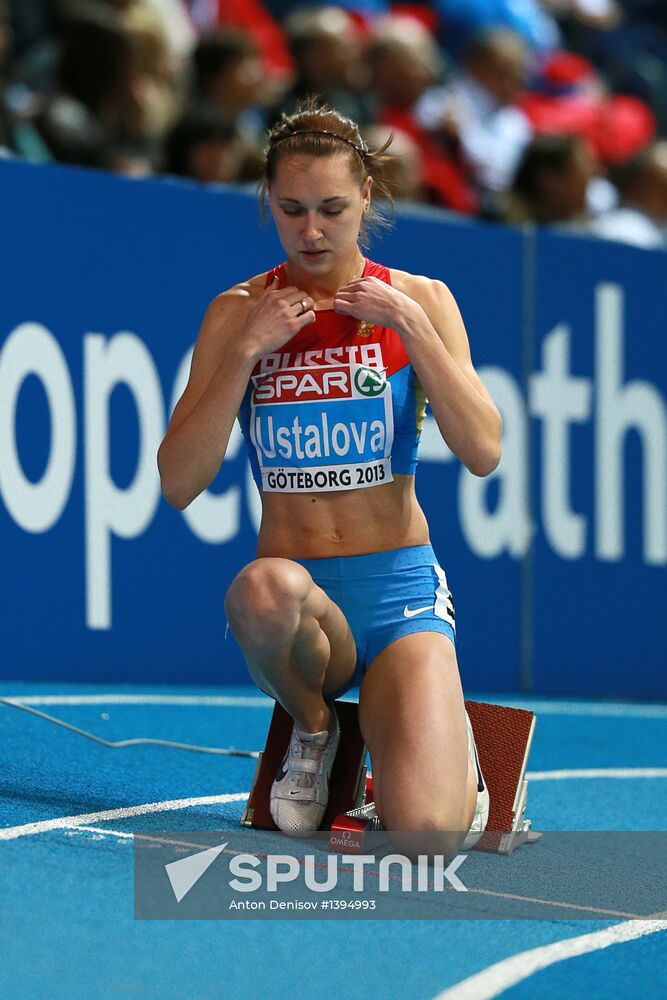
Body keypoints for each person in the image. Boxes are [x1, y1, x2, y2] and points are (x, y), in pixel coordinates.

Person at [157, 103, 501, 857]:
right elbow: (178, 483)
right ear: (267, 204)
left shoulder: (423, 299)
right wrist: (245, 352)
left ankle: (437, 756)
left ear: (367, 200)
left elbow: (482, 451)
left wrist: (410, 328)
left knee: (427, 838)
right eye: (291, 210)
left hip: (400, 590)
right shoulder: (239, 312)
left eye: (331, 210)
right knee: (259, 589)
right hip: (302, 600)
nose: (311, 231)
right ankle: (315, 732)